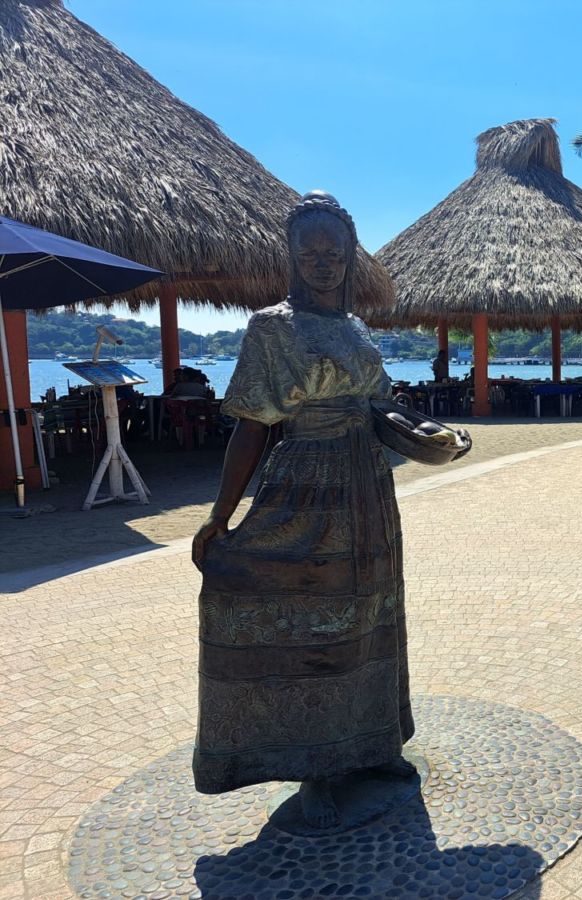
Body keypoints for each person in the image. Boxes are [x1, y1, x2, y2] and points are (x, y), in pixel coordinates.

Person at [191, 192, 413, 831]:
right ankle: (316, 763)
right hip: (304, 486)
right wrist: (220, 515)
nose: (322, 264)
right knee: (310, 621)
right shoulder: (272, 327)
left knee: (370, 610)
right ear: (291, 256)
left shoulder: (356, 327)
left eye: (334, 254)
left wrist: (417, 431)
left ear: (349, 258)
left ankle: (373, 746)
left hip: (368, 486)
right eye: (309, 252)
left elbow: (377, 403)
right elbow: (252, 428)